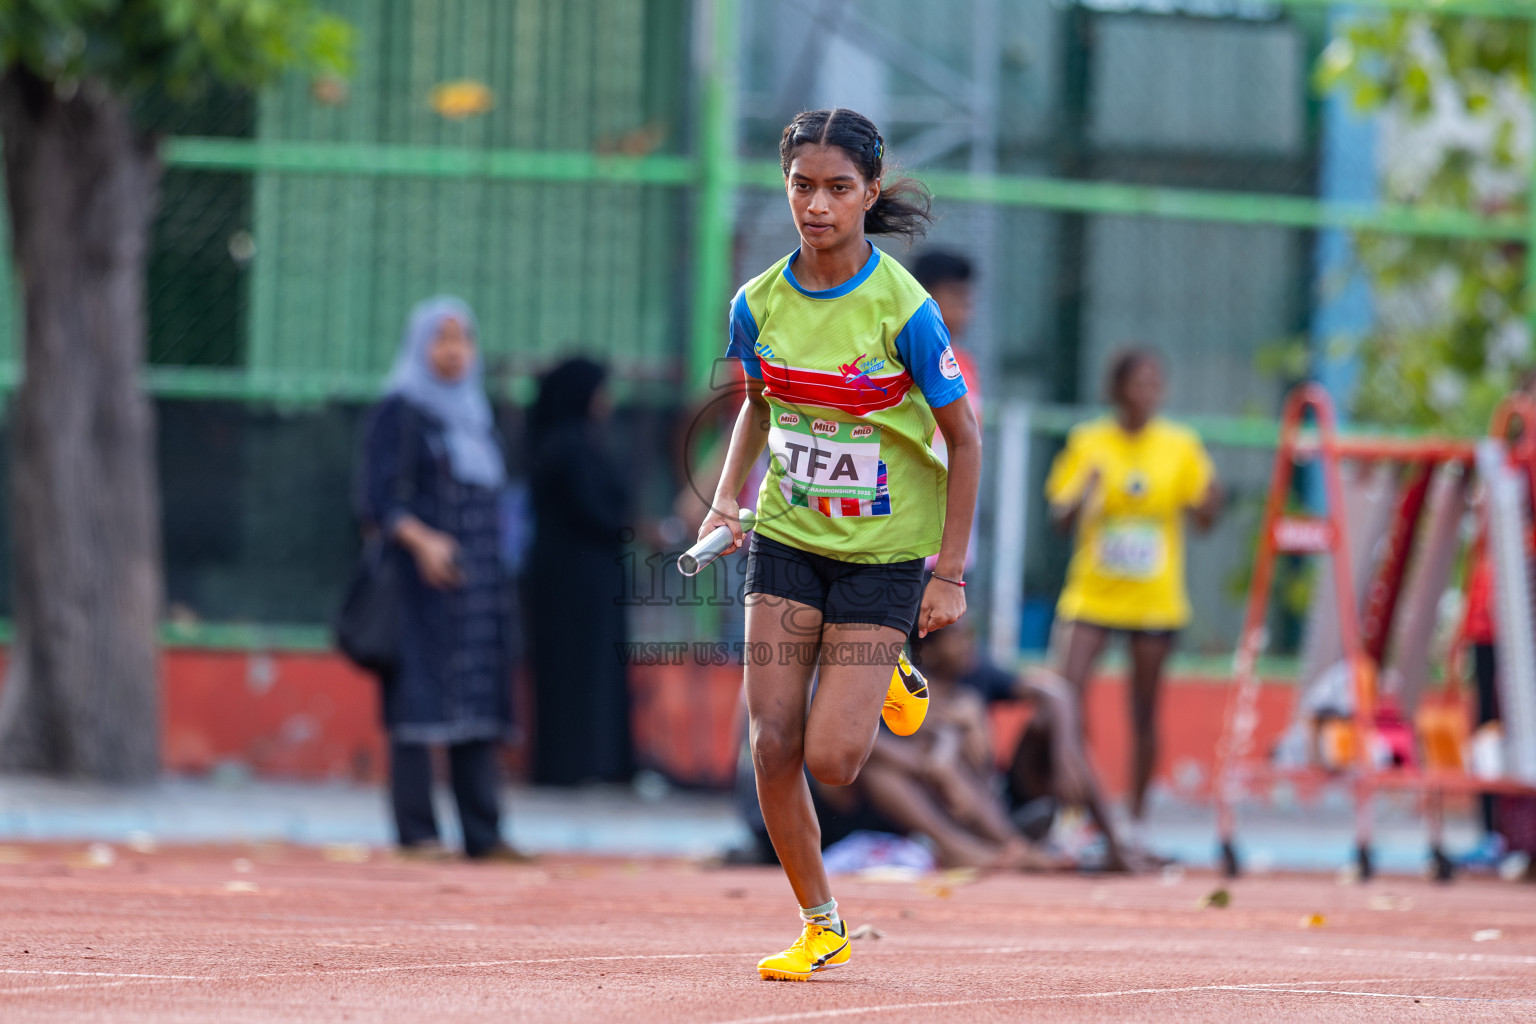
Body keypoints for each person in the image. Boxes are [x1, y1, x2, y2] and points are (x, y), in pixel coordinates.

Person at [700, 107, 982, 981]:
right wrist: (724, 502)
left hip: (886, 553)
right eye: (801, 187)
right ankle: (821, 922)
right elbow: (758, 403)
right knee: (771, 744)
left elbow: (964, 441)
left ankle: (891, 655)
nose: (816, 206)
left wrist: (949, 575)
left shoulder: (906, 310)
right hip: (786, 536)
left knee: (834, 758)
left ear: (869, 191)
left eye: (836, 189)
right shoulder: (759, 302)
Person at [359, 296, 519, 861]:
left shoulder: (477, 415)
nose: (453, 351)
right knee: (418, 702)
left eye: (463, 339)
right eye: (441, 338)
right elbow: (375, 499)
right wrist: (423, 542)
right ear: (419, 345)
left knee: (478, 705)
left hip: (477, 585)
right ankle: (417, 832)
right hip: (417, 585)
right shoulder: (399, 412)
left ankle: (483, 833)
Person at [1044, 347, 1222, 855]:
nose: (1146, 393)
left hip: (1154, 599)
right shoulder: (1089, 441)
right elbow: (1058, 518)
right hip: (1093, 594)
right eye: (1137, 383)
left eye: (1154, 384)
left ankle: (1137, 818)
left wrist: (1212, 499)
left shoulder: (1180, 445)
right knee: (1066, 697)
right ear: (1117, 390)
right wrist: (1085, 492)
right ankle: (1074, 810)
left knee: (1144, 709)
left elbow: (1207, 516)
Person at [524, 357, 634, 786]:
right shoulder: (567, 447)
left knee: (589, 670)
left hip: (585, 580)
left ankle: (595, 762)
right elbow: (596, 512)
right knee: (574, 670)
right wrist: (635, 527)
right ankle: (575, 765)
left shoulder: (575, 442)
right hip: (572, 584)